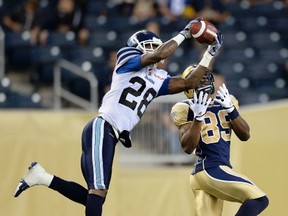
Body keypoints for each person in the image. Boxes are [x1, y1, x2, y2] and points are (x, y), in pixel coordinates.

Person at [13, 18, 223, 216]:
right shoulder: (126, 57)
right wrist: (184, 34)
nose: (156, 50)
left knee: (95, 196)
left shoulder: (158, 78)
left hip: (110, 134)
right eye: (150, 45)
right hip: (102, 127)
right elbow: (158, 55)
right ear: (139, 46)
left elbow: (188, 83)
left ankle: (42, 176)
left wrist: (210, 53)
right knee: (97, 191)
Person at [170, 66, 269, 216]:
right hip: (210, 169)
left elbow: (245, 135)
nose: (203, 79)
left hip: (211, 172)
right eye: (197, 77)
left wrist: (231, 109)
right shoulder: (185, 107)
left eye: (204, 75)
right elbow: (188, 147)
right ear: (189, 84)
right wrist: (198, 117)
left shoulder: (227, 101)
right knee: (258, 199)